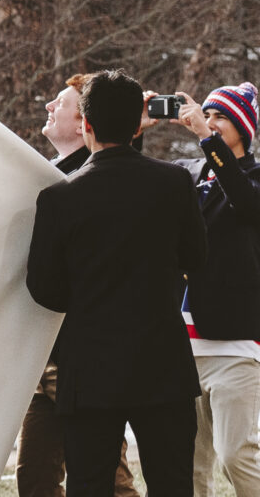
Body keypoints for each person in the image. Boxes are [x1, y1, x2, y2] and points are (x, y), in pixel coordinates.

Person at [26, 70, 207, 497]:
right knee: (172, 485)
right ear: (137, 125)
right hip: (162, 364)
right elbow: (196, 259)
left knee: (89, 486)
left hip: (89, 368)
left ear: (86, 125)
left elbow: (43, 289)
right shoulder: (174, 183)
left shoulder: (59, 199)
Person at [16, 75, 138, 497]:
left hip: (83, 359)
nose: (48, 105)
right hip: (41, 361)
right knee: (33, 478)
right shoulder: (42, 175)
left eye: (60, 102)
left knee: (109, 479)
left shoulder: (91, 182)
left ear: (85, 122)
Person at [165, 82, 260, 497]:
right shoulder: (186, 173)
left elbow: (243, 200)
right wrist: (136, 128)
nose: (211, 121)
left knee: (235, 453)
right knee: (187, 464)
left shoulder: (254, 178)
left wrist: (207, 137)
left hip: (235, 343)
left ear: (243, 126)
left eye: (221, 116)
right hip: (181, 344)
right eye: (207, 114)